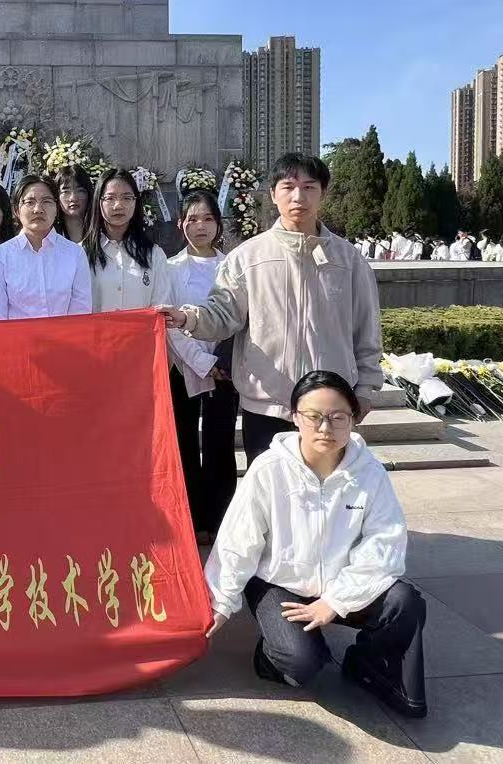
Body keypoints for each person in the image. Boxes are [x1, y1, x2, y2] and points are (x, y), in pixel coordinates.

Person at [205, 370, 427, 719]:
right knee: (301, 662)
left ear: (353, 418)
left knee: (405, 602)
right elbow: (239, 539)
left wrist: (335, 601)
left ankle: (367, 663)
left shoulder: (369, 472)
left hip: (341, 583)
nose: (325, 428)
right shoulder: (270, 469)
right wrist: (220, 602)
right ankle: (271, 656)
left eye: (338, 417)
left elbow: (385, 542)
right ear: (295, 417)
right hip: (280, 584)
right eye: (313, 416)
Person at [162, 153, 383, 464]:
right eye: (288, 187)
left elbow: (366, 331)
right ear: (273, 194)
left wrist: (366, 389)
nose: (298, 197)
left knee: (327, 491)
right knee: (271, 492)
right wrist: (188, 317)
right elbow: (223, 314)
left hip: (329, 408)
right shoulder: (247, 258)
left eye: (309, 187)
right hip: (266, 408)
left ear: (323, 192)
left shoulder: (349, 261)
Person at [159, 189, 239, 542]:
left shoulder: (232, 267)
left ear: (218, 224)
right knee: (185, 444)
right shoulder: (170, 269)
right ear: (181, 224)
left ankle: (222, 520)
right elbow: (168, 322)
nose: (200, 226)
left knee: (220, 445)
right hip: (183, 367)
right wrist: (201, 361)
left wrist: (221, 360)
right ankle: (191, 521)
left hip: (225, 370)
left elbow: (239, 317)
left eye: (207, 219)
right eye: (192, 219)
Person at [0, 173, 92, 319]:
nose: (38, 209)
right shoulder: (0, 256)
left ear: (57, 208)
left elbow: (81, 312)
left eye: (46, 201)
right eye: (30, 202)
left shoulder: (75, 254)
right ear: (16, 210)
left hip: (65, 334)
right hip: (17, 334)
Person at [53, 164, 94, 245]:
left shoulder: (101, 234)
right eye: (66, 192)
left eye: (80, 190)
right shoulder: (50, 235)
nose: (73, 198)